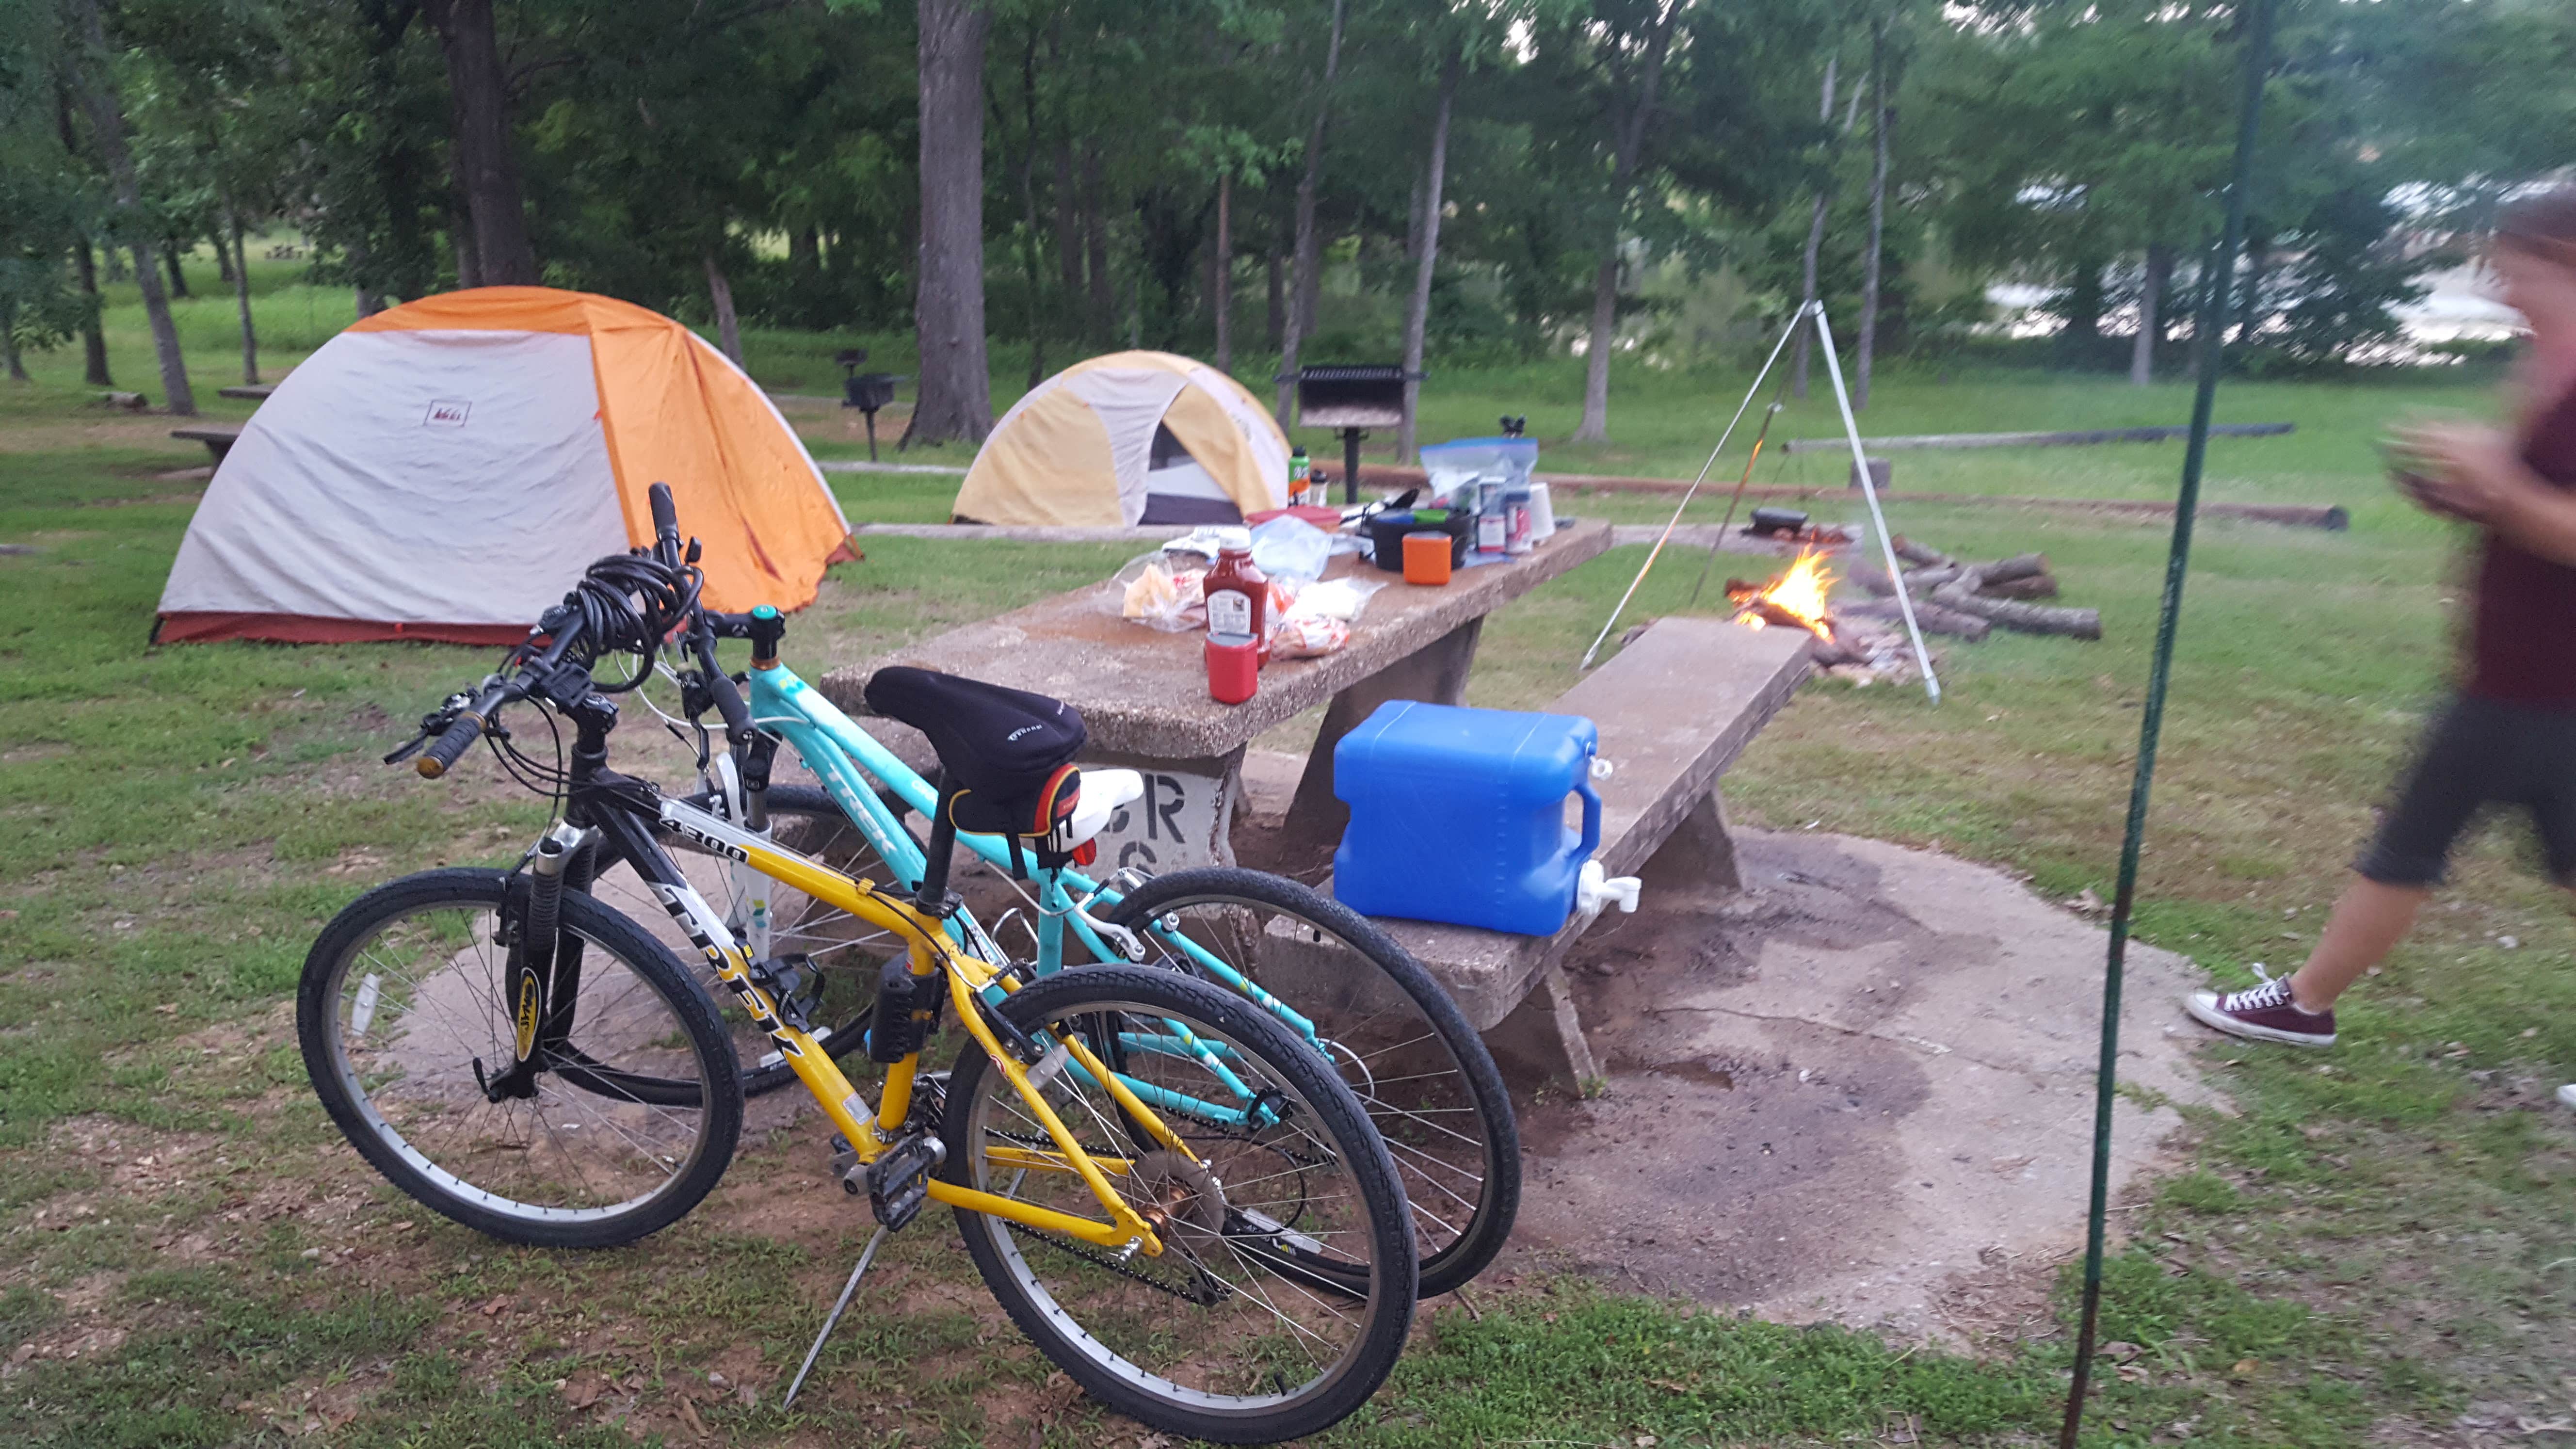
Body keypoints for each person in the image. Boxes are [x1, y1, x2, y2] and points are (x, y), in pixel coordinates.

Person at [2184, 186, 2576, 1114]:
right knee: (2435, 843)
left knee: (2410, 843)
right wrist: (2471, 494)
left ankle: (2306, 1003)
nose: (2498, 286)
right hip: (2513, 670)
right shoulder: (2547, 364)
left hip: (2550, 686)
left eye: (2513, 266)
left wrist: (2498, 484)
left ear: (2562, 259)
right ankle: (2307, 1002)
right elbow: (2532, 496)